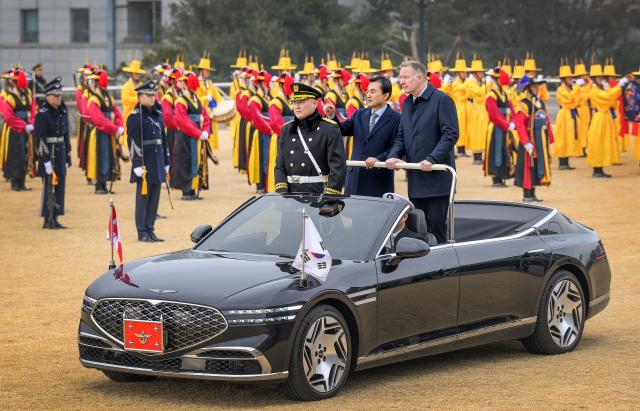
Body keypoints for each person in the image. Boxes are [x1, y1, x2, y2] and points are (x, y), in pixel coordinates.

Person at [386, 61, 458, 244]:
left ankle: (443, 269)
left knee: (437, 230)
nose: (401, 81)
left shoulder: (442, 100)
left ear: (419, 78)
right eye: (400, 77)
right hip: (416, 178)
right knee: (418, 228)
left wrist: (432, 159)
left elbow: (450, 134)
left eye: (405, 77)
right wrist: (393, 155)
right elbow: (401, 136)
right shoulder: (407, 103)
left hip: (437, 179)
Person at [324, 76, 400, 197]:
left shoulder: (397, 118)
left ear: (385, 95)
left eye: (373, 91)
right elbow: (341, 130)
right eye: (367, 92)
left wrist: (378, 159)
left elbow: (397, 146)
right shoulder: (360, 114)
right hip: (354, 181)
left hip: (378, 182)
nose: (368, 95)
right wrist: (332, 116)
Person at [274, 83, 346, 195]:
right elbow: (280, 166)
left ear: (314, 103)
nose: (296, 106)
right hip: (289, 196)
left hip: (318, 194)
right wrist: (282, 193)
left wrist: (329, 199)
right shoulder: (287, 129)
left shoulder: (329, 129)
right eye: (294, 102)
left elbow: (338, 169)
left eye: (301, 102)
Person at [127, 80, 170, 242]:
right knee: (143, 197)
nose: (153, 98)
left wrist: (166, 160)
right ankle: (142, 231)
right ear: (140, 97)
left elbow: (163, 138)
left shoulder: (158, 114)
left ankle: (150, 229)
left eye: (154, 95)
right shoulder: (135, 117)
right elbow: (132, 143)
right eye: (149, 95)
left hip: (157, 159)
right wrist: (137, 163)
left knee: (155, 196)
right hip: (144, 162)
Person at [33, 77, 71, 229]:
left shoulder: (62, 110)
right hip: (49, 154)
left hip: (60, 152)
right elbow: (39, 139)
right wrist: (45, 159)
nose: (58, 97)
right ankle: (47, 218)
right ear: (47, 96)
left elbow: (66, 134)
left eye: (59, 94)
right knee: (49, 187)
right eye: (55, 95)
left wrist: (67, 155)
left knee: (60, 186)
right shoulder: (42, 114)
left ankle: (55, 216)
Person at [513, 75, 554, 202]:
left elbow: (545, 119)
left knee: (536, 165)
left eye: (537, 86)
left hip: (539, 140)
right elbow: (519, 124)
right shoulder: (523, 104)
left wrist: (550, 137)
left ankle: (533, 193)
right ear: (529, 88)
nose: (537, 88)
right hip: (530, 140)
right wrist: (526, 142)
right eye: (534, 86)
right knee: (527, 166)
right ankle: (527, 194)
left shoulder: (539, 102)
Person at [171, 72, 211, 200]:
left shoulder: (197, 100)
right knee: (186, 162)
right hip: (186, 137)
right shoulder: (181, 101)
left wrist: (206, 130)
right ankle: (186, 190)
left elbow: (205, 116)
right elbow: (183, 121)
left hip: (198, 137)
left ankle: (194, 188)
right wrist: (199, 133)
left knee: (198, 162)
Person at [85, 69, 124, 194]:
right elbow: (99, 119)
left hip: (110, 132)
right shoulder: (93, 100)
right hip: (100, 132)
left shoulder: (109, 98)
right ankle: (99, 185)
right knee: (100, 158)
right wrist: (115, 128)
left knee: (110, 157)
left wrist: (119, 125)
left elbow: (117, 113)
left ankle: (106, 182)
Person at [2, 68, 37, 191]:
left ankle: (22, 182)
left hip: (27, 128)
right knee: (15, 154)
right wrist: (23, 125)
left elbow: (34, 110)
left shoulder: (28, 94)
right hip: (15, 129)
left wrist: (32, 123)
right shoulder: (10, 97)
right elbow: (8, 115)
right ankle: (15, 182)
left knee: (26, 154)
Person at [484, 67, 517, 187]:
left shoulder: (505, 94)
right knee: (496, 151)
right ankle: (496, 178)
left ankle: (503, 175)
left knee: (504, 150)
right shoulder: (491, 95)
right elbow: (494, 115)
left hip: (505, 127)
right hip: (496, 127)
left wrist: (513, 121)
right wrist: (507, 125)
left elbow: (511, 109)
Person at [554, 61, 584, 170]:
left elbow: (578, 101)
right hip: (564, 115)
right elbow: (570, 99)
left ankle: (566, 161)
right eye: (569, 78)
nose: (571, 79)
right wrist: (576, 89)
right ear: (564, 79)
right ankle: (562, 162)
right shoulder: (561, 89)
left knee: (569, 137)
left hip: (571, 114)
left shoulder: (571, 88)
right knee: (563, 137)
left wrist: (575, 92)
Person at [120, 60, 147, 152]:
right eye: (135, 73)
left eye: (138, 74)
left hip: (141, 116)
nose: (137, 75)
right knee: (131, 141)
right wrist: (140, 99)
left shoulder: (141, 85)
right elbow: (126, 100)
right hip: (130, 116)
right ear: (131, 74)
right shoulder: (126, 86)